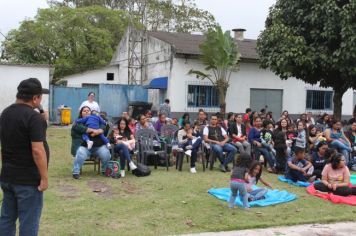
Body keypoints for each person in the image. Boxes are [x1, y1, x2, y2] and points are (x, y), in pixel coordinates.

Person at [0, 78, 49, 236]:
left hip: (8, 177)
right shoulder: (32, 117)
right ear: (35, 98)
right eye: (40, 97)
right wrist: (44, 178)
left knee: (7, 219)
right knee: (29, 222)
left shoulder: (5, 113)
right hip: (28, 181)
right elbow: (37, 150)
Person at [72, 107, 111, 179]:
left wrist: (101, 130)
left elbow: (104, 125)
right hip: (85, 146)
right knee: (80, 153)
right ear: (81, 113)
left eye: (88, 111)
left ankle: (104, 170)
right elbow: (83, 129)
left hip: (98, 146)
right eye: (84, 111)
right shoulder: (77, 123)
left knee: (106, 154)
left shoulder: (96, 119)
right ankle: (75, 172)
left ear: (91, 113)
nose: (86, 112)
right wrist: (95, 131)